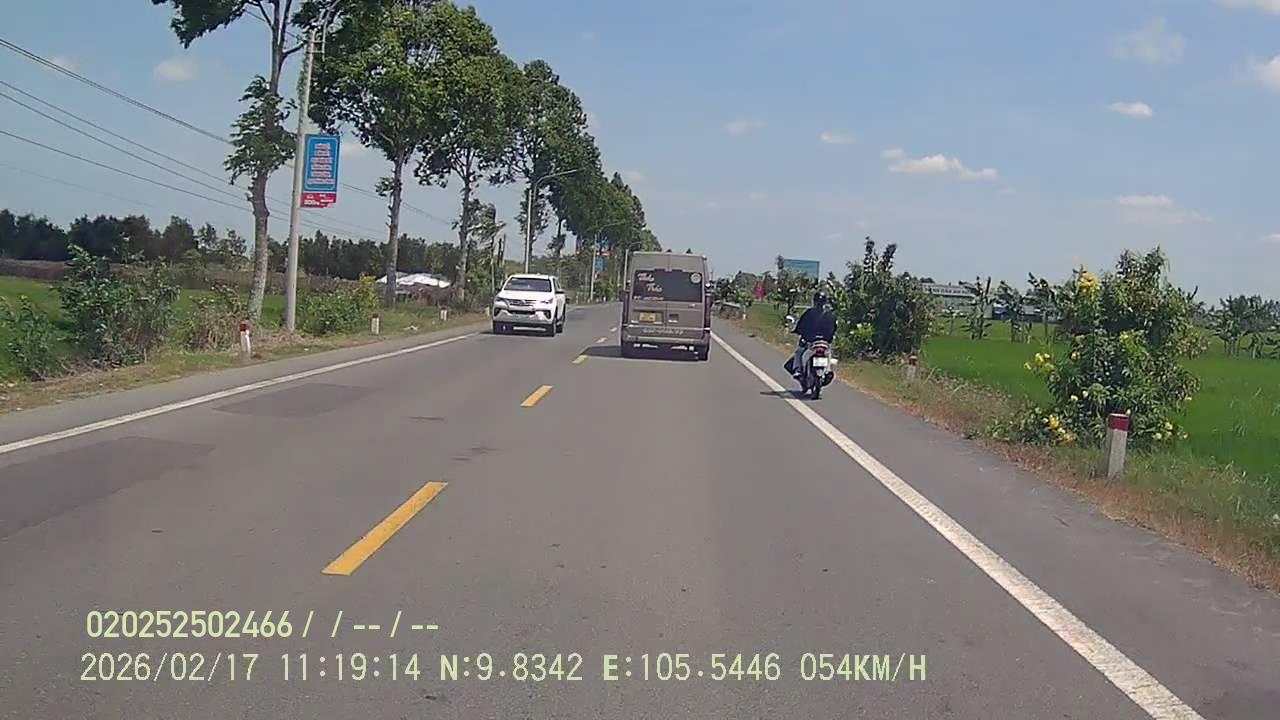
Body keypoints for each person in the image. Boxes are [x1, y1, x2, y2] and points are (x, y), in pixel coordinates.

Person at [786, 291, 837, 378]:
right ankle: (827, 370)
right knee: (828, 353)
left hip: (811, 341)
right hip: (825, 342)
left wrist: (797, 331)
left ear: (814, 301)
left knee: (799, 352)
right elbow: (834, 328)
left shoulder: (809, 313)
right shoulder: (829, 314)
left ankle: (798, 370)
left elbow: (801, 324)